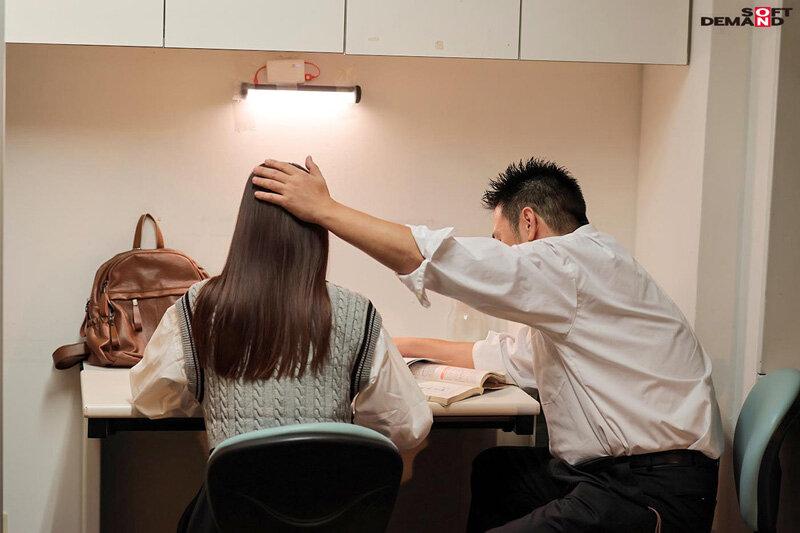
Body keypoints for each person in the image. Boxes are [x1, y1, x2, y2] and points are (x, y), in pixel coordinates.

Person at [251, 156, 724, 532]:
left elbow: (434, 258)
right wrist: (401, 343)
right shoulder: (582, 283)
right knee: (497, 470)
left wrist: (324, 210)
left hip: (650, 492)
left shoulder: (570, 264)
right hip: (614, 473)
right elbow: (505, 358)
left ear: (529, 222)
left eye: (500, 240)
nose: (498, 251)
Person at [130, 165, 432, 532]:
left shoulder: (198, 306)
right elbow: (408, 424)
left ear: (244, 229)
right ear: (319, 231)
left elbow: (148, 397)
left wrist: (210, 394)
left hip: (232, 519)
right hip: (329, 516)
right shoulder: (357, 312)